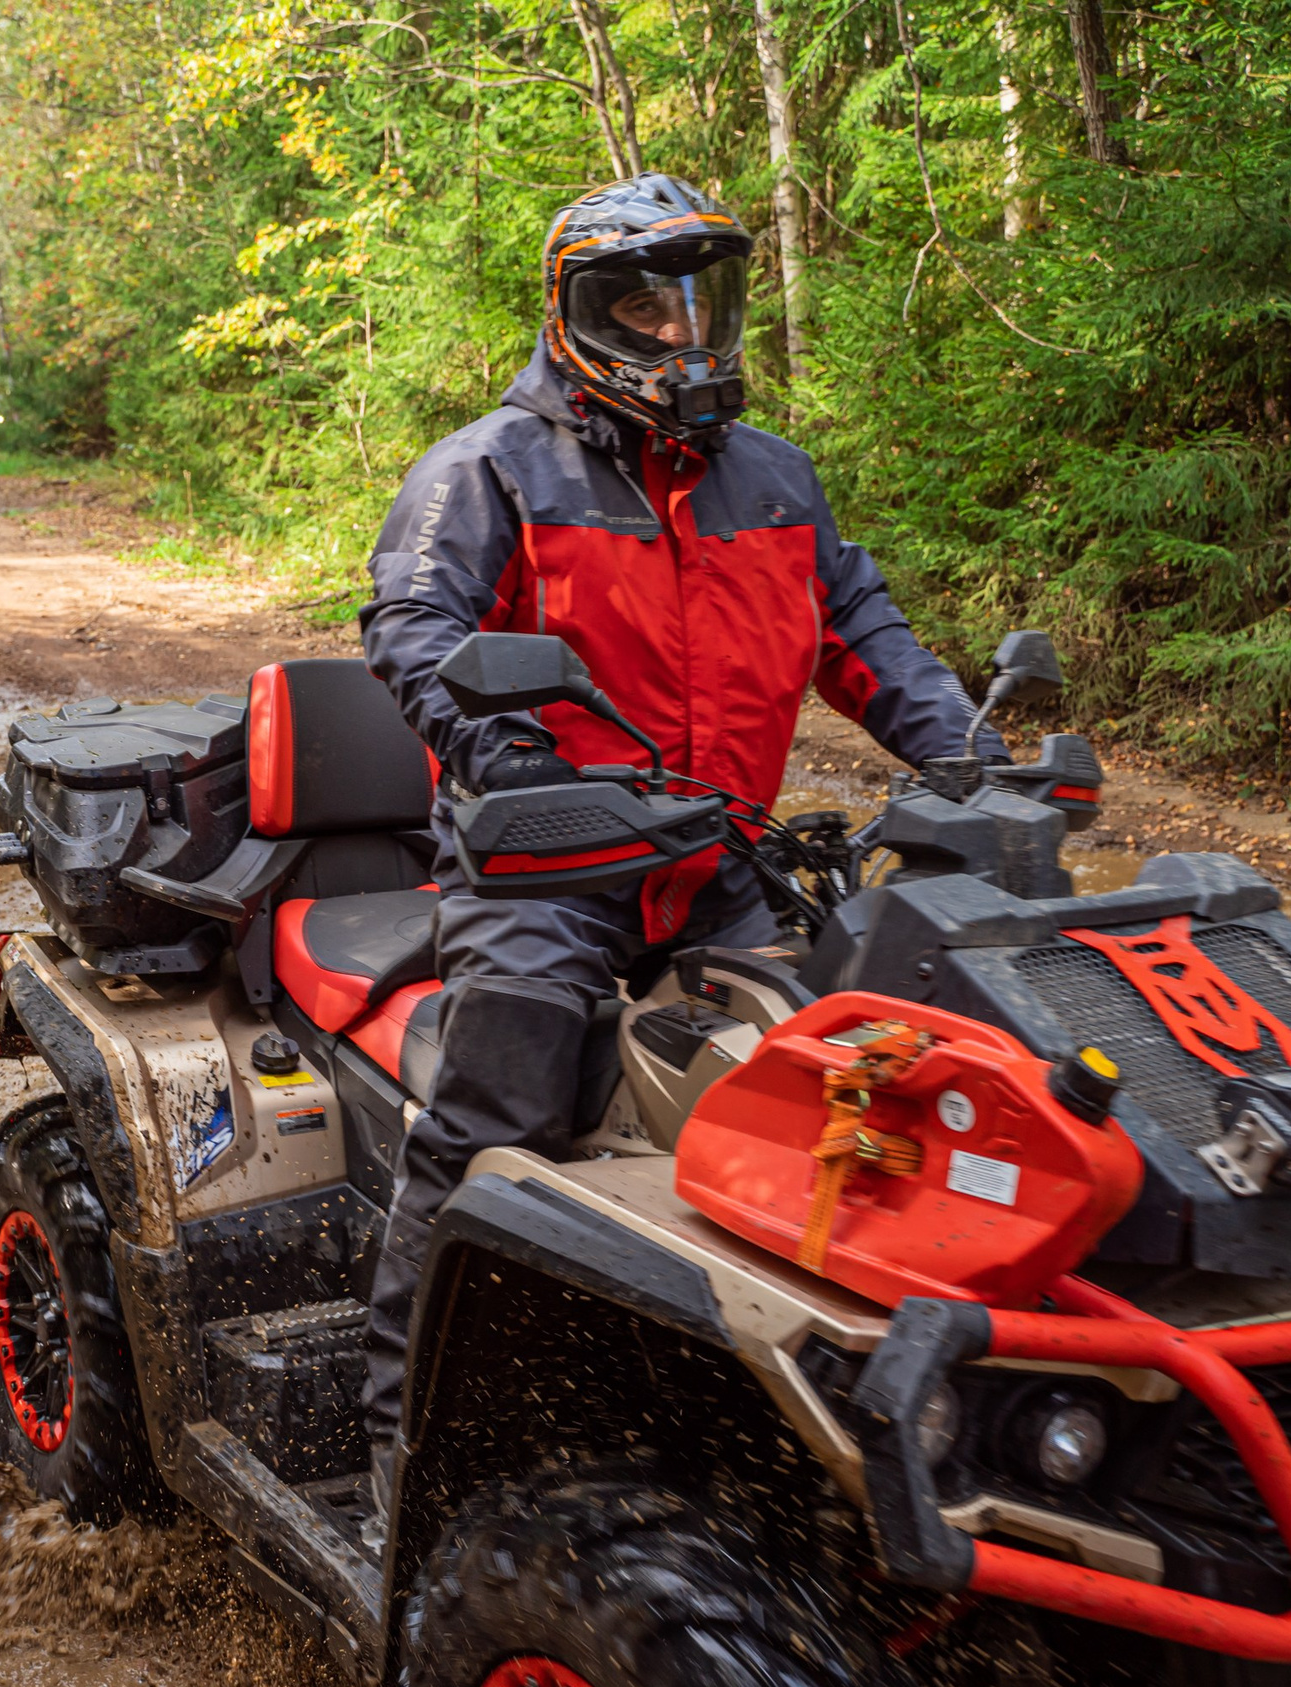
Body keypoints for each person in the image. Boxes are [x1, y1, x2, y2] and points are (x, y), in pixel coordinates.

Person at [353, 172, 1008, 1505]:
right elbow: (414, 629)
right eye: (645, 302)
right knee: (498, 1109)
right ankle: (398, 1455)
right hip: (543, 861)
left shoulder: (774, 478)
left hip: (720, 863)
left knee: (854, 1093)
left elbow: (864, 636)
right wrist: (509, 753)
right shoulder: (486, 465)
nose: (680, 332)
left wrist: (965, 752)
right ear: (576, 310)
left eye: (701, 298)